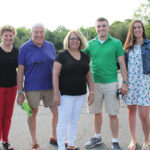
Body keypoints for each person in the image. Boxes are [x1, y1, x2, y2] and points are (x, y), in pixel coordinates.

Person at [83, 17, 128, 150]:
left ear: (108, 27)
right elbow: (78, 58)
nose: (101, 28)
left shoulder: (116, 43)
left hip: (111, 83)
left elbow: (122, 64)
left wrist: (124, 83)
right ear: (95, 28)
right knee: (97, 112)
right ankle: (97, 137)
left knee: (113, 114)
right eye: (98, 26)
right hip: (95, 84)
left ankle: (115, 141)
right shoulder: (89, 44)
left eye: (103, 26)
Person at [17, 23, 58, 150]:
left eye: (41, 32)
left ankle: (54, 136)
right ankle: (34, 141)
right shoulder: (24, 48)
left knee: (56, 111)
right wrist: (20, 92)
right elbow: (20, 71)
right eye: (36, 32)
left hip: (50, 86)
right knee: (32, 113)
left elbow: (56, 66)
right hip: (32, 87)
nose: (39, 34)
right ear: (31, 33)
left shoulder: (50, 46)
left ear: (44, 32)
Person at [53, 30, 94, 150]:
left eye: (77, 38)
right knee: (63, 121)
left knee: (74, 121)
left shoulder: (85, 56)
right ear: (68, 40)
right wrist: (56, 94)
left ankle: (71, 144)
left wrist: (91, 92)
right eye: (72, 38)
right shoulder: (62, 55)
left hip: (80, 94)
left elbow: (88, 75)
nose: (74, 41)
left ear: (81, 41)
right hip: (65, 95)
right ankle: (61, 147)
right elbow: (55, 74)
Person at [124, 20, 150, 150]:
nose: (137, 30)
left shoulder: (149, 45)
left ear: (142, 29)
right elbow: (123, 66)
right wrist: (124, 83)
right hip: (131, 83)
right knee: (131, 111)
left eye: (139, 27)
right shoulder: (128, 48)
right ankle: (133, 140)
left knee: (144, 115)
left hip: (145, 83)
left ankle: (146, 140)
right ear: (132, 30)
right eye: (135, 28)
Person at [0, 25, 18, 150]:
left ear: (13, 37)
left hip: (12, 87)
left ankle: (5, 140)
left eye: (10, 35)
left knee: (7, 115)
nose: (8, 38)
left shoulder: (17, 51)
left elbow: (22, 68)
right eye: (6, 35)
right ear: (1, 36)